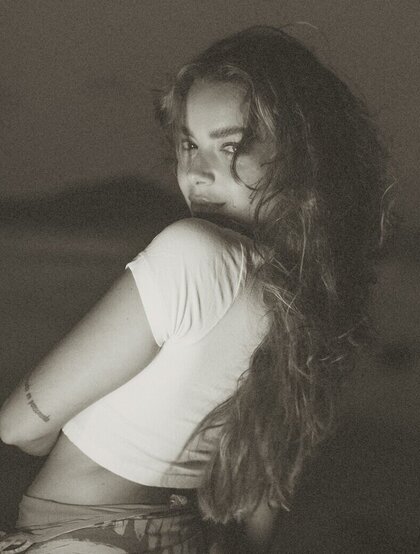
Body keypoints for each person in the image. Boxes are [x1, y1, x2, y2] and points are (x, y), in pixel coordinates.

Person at [0, 25, 389, 553]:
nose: (198, 173)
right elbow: (263, 501)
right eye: (189, 144)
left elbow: (20, 428)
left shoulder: (194, 254)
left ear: (301, 155)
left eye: (230, 146)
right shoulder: (309, 303)